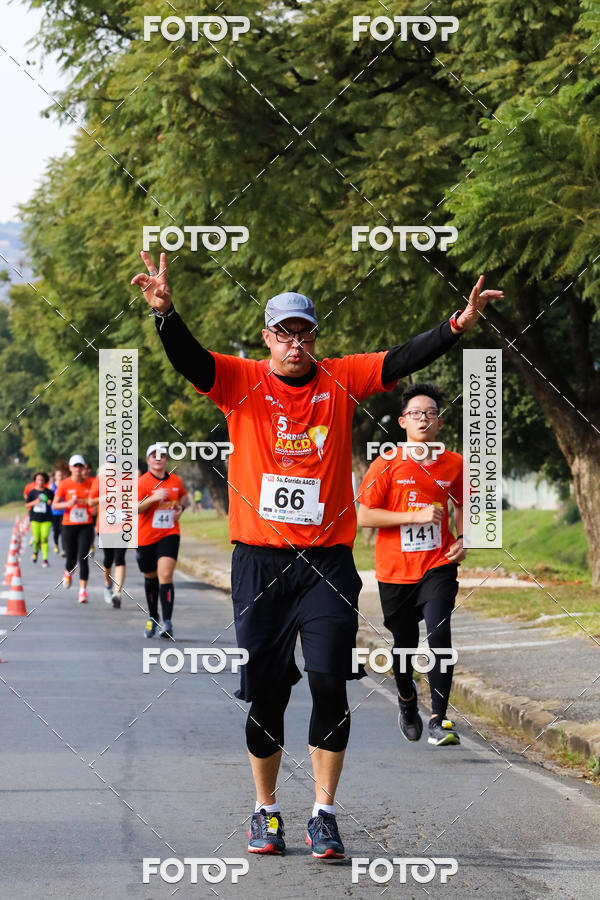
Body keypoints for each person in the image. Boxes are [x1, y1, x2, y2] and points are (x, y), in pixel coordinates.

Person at [131, 250, 502, 858]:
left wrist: (456, 325)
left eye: (304, 333)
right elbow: (190, 360)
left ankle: (324, 814)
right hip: (259, 564)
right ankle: (266, 810)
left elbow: (401, 358)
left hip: (326, 564)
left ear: (314, 338)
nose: (295, 343)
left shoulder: (341, 378)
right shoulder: (239, 380)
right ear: (267, 338)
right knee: (268, 694)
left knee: (330, 684)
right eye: (284, 333)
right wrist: (166, 315)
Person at [357, 383, 466, 746]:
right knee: (404, 645)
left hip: (437, 564)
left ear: (439, 423)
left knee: (439, 632)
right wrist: (413, 516)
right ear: (403, 421)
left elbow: (465, 504)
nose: (424, 419)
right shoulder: (386, 463)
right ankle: (406, 700)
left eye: (431, 413)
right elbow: (365, 516)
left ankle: (439, 719)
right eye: (416, 413)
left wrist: (464, 539)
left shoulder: (454, 463)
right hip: (395, 571)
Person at [136, 444, 186, 639]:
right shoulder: (142, 483)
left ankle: (167, 622)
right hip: (146, 536)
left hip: (169, 533)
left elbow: (182, 495)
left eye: (162, 455)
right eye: (154, 455)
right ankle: (153, 616)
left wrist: (180, 508)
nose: (158, 458)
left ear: (166, 459)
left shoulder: (175, 480)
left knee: (165, 574)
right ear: (148, 460)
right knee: (150, 577)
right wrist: (153, 498)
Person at [52, 454, 94, 603]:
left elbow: (96, 501)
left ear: (84, 468)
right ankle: (68, 572)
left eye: (80, 466)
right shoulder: (64, 484)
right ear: (70, 468)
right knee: (71, 558)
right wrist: (68, 504)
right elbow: (55, 505)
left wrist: (94, 507)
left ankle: (83, 591)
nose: (77, 468)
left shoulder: (91, 483)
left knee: (83, 557)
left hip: (86, 525)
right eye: (75, 466)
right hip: (69, 525)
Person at [88, 469, 127, 609]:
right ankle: (108, 585)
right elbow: (91, 501)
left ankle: (117, 593)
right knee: (108, 559)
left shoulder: (127, 479)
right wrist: (107, 497)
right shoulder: (100, 480)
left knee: (120, 558)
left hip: (123, 526)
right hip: (105, 527)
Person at [25, 472, 54, 568]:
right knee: (36, 539)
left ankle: (45, 559)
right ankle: (35, 552)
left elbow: (54, 502)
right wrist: (35, 501)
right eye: (38, 479)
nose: (40, 481)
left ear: (45, 481)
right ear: (35, 481)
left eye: (42, 479)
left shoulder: (49, 492)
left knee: (44, 538)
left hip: (47, 519)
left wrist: (50, 502)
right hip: (35, 519)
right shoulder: (32, 492)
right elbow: (27, 505)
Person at [50, 468, 66, 555]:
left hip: (64, 511)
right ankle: (56, 544)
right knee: (56, 531)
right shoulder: (51, 486)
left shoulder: (65, 485)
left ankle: (64, 549)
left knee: (63, 531)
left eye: (61, 475)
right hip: (54, 512)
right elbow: (47, 496)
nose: (60, 476)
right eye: (58, 475)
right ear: (55, 477)